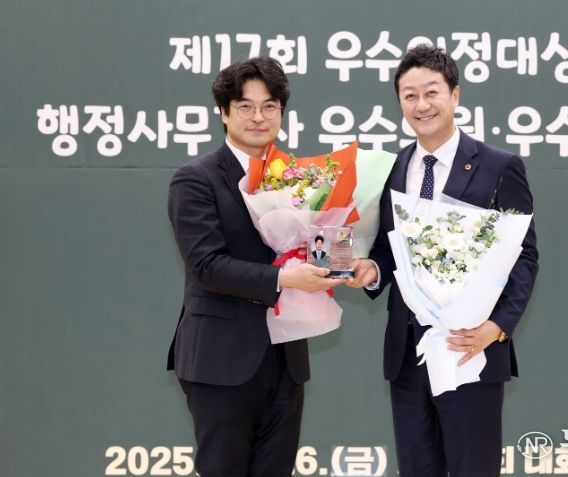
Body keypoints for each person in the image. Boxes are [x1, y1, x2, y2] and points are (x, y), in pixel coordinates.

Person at [347, 45, 539, 477]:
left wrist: (497, 327)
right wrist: (371, 270)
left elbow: (524, 255)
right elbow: (388, 249)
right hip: (408, 355)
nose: (422, 105)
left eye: (431, 92)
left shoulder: (499, 166)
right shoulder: (393, 168)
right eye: (410, 96)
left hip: (470, 347)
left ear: (455, 95)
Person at [166, 57, 342, 477]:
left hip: (285, 360)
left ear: (281, 112)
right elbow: (206, 265)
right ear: (224, 113)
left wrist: (339, 263)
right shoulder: (195, 179)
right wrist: (285, 278)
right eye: (245, 106)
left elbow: (320, 238)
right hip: (221, 359)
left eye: (269, 106)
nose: (258, 117)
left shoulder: (300, 177)